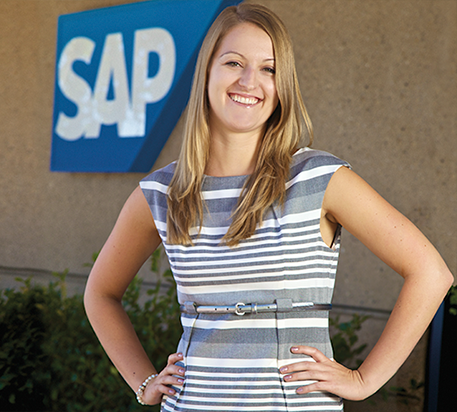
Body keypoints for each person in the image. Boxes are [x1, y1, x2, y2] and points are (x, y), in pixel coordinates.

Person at [83, 3, 454, 411]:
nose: (249, 80)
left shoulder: (317, 178)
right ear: (206, 71)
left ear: (283, 87)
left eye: (269, 69)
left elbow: (430, 272)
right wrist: (145, 383)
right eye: (234, 62)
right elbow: (100, 294)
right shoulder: (160, 193)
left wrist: (364, 379)